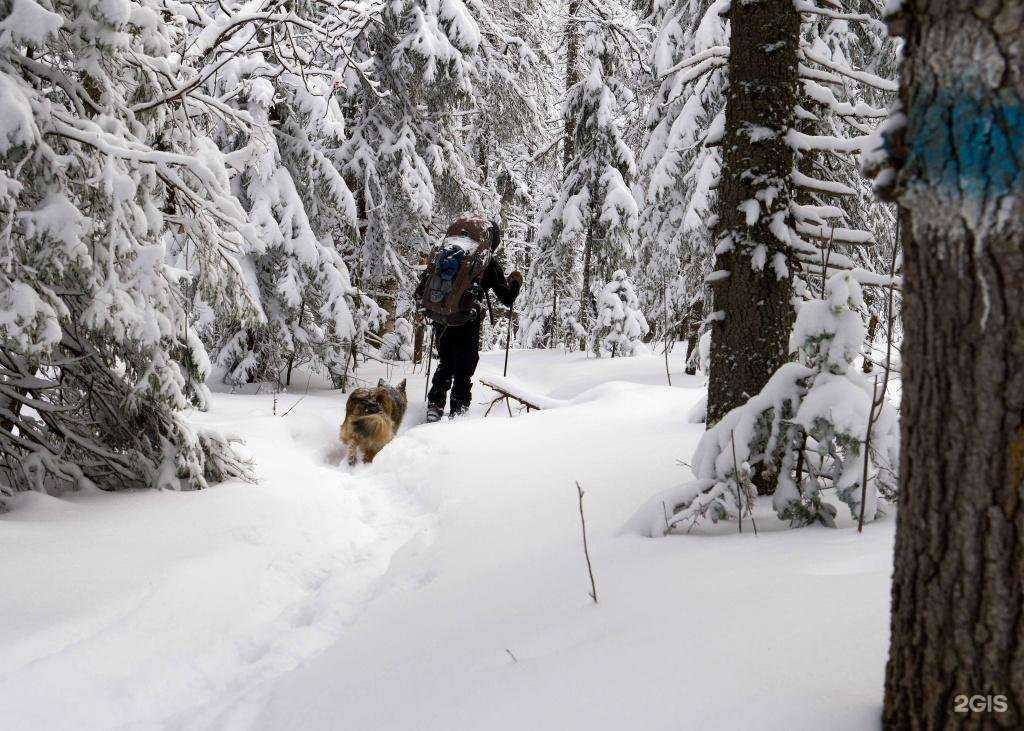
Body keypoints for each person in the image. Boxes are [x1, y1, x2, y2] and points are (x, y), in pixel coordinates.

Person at [416, 216, 522, 422]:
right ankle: (458, 413)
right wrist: (515, 281)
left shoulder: (446, 252)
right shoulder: (485, 260)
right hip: (467, 320)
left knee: (445, 362)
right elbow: (507, 299)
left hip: (442, 315)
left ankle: (435, 406)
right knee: (463, 369)